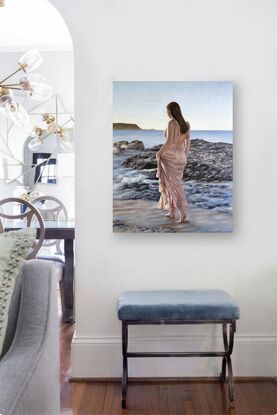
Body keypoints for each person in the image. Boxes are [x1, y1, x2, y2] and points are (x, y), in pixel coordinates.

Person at [156, 101, 190, 223]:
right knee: (174, 184)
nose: (166, 113)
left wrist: (159, 153)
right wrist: (184, 158)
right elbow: (187, 144)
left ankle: (182, 213)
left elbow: (169, 142)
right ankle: (172, 211)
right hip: (181, 157)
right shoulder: (186, 124)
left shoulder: (171, 123)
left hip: (170, 157)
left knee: (172, 186)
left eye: (167, 110)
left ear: (171, 111)